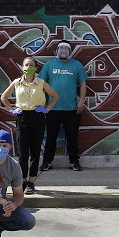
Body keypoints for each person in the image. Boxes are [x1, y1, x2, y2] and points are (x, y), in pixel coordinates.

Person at [0, 57, 59, 194]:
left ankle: (31, 182)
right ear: (22, 67)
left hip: (37, 116)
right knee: (22, 152)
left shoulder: (41, 83)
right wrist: (11, 109)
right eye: (26, 65)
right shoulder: (17, 83)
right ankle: (23, 180)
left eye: (31, 65)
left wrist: (46, 109)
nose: (28, 67)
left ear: (36, 68)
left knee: (35, 151)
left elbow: (55, 96)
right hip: (22, 117)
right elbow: (4, 97)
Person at [39, 40, 88, 172]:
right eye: (61, 48)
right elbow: (41, 83)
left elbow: (83, 84)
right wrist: (42, 101)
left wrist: (81, 101)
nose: (63, 51)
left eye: (66, 49)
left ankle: (74, 161)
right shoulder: (49, 64)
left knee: (72, 137)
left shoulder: (76, 65)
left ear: (70, 51)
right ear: (56, 50)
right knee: (51, 136)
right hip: (52, 108)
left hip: (71, 108)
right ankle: (47, 162)